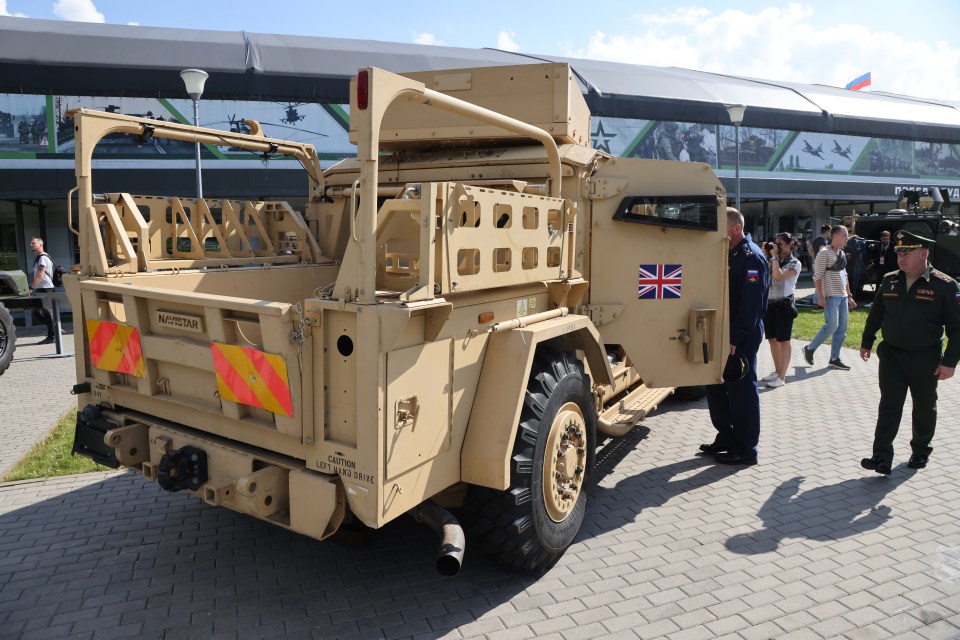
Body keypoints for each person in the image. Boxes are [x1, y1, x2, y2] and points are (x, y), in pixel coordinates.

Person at [859, 231, 960, 474]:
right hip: (892, 354)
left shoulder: (945, 285)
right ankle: (881, 456)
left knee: (924, 406)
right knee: (889, 405)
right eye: (899, 253)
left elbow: (957, 329)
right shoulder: (890, 280)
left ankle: (921, 450)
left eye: (907, 252)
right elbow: (876, 315)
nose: (901, 258)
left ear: (924, 253)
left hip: (925, 357)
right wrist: (866, 341)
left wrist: (949, 362)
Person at [700, 208, 769, 465]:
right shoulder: (728, 252)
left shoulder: (751, 257)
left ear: (736, 229)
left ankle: (746, 448)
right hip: (721, 331)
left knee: (742, 392)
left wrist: (734, 338)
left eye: (722, 227)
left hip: (741, 335)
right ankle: (727, 436)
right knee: (715, 385)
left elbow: (751, 306)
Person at [803, 225, 857, 370]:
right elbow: (817, 276)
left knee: (842, 328)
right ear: (835, 236)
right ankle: (810, 348)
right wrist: (820, 297)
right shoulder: (824, 253)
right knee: (832, 326)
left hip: (843, 296)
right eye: (844, 235)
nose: (847, 237)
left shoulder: (841, 253)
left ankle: (835, 358)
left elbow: (844, 275)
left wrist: (850, 295)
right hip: (831, 295)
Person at [761, 233, 801, 387]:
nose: (777, 247)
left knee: (783, 341)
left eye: (781, 244)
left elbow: (778, 276)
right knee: (772, 339)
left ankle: (782, 377)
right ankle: (777, 372)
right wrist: (764, 253)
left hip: (783, 305)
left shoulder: (794, 263)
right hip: (770, 304)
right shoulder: (774, 259)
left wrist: (774, 257)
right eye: (775, 243)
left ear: (790, 245)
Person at [28, 236, 56, 344]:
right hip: (41, 289)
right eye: (31, 243)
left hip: (46, 289)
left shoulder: (43, 258)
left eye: (33, 243)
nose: (31, 245)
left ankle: (52, 336)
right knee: (37, 312)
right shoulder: (39, 258)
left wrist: (31, 287)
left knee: (47, 313)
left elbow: (40, 274)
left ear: (41, 244)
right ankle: (55, 327)